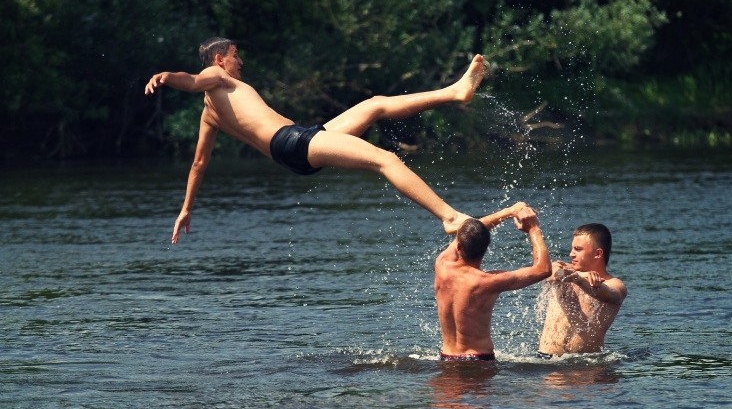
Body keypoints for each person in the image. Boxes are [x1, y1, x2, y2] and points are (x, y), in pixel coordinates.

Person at [145, 37, 487, 244]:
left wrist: (186, 209)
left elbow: (199, 164)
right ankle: (449, 216)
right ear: (220, 59)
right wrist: (166, 77)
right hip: (293, 142)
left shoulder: (209, 113)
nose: (241, 61)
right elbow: (190, 80)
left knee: (375, 104)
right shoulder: (216, 76)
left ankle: (455, 92)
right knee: (387, 159)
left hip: (298, 146)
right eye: (236, 55)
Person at [434, 202, 552, 361]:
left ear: (459, 246)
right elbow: (543, 269)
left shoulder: (442, 265)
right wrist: (533, 228)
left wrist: (509, 211)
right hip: (478, 361)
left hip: (446, 358)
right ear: (486, 248)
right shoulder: (488, 282)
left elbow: (471, 230)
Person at [537, 223, 627, 357]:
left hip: (587, 363)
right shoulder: (560, 267)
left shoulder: (615, 284)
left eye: (578, 249)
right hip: (544, 358)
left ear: (598, 253)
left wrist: (580, 280)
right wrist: (581, 276)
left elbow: (609, 295)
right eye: (572, 249)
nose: (571, 254)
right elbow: (550, 274)